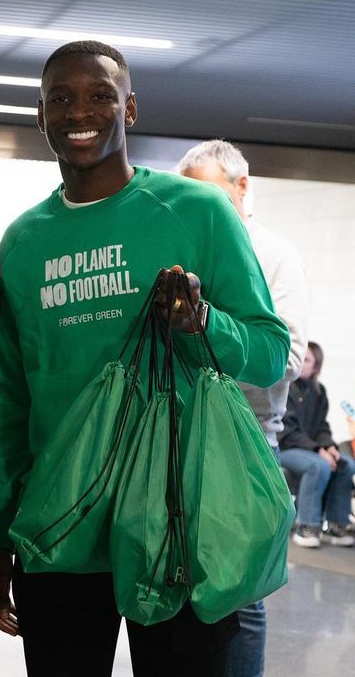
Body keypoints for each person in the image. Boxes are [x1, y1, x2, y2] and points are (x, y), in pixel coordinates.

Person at [0, 41, 289, 676]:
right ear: (40, 114)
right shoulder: (24, 240)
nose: (79, 112)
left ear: (131, 108)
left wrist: (202, 322)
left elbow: (269, 353)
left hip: (177, 519)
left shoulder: (198, 211)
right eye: (61, 98)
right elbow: (16, 402)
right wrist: (0, 535)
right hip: (61, 524)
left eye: (101, 95)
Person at [178, 138, 310, 677]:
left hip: (246, 443)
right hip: (181, 442)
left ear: (242, 187)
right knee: (181, 589)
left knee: (240, 594)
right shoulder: (185, 250)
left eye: (211, 195)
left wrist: (211, 329)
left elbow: (289, 358)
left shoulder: (274, 255)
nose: (201, 208)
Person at [279, 342, 355, 548]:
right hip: (285, 449)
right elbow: (287, 431)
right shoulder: (284, 386)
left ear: (316, 367)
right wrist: (319, 450)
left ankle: (337, 524)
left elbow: (322, 427)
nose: (301, 362)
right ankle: (307, 526)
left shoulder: (319, 392)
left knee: (346, 464)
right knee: (318, 465)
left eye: (307, 360)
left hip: (310, 450)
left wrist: (330, 447)